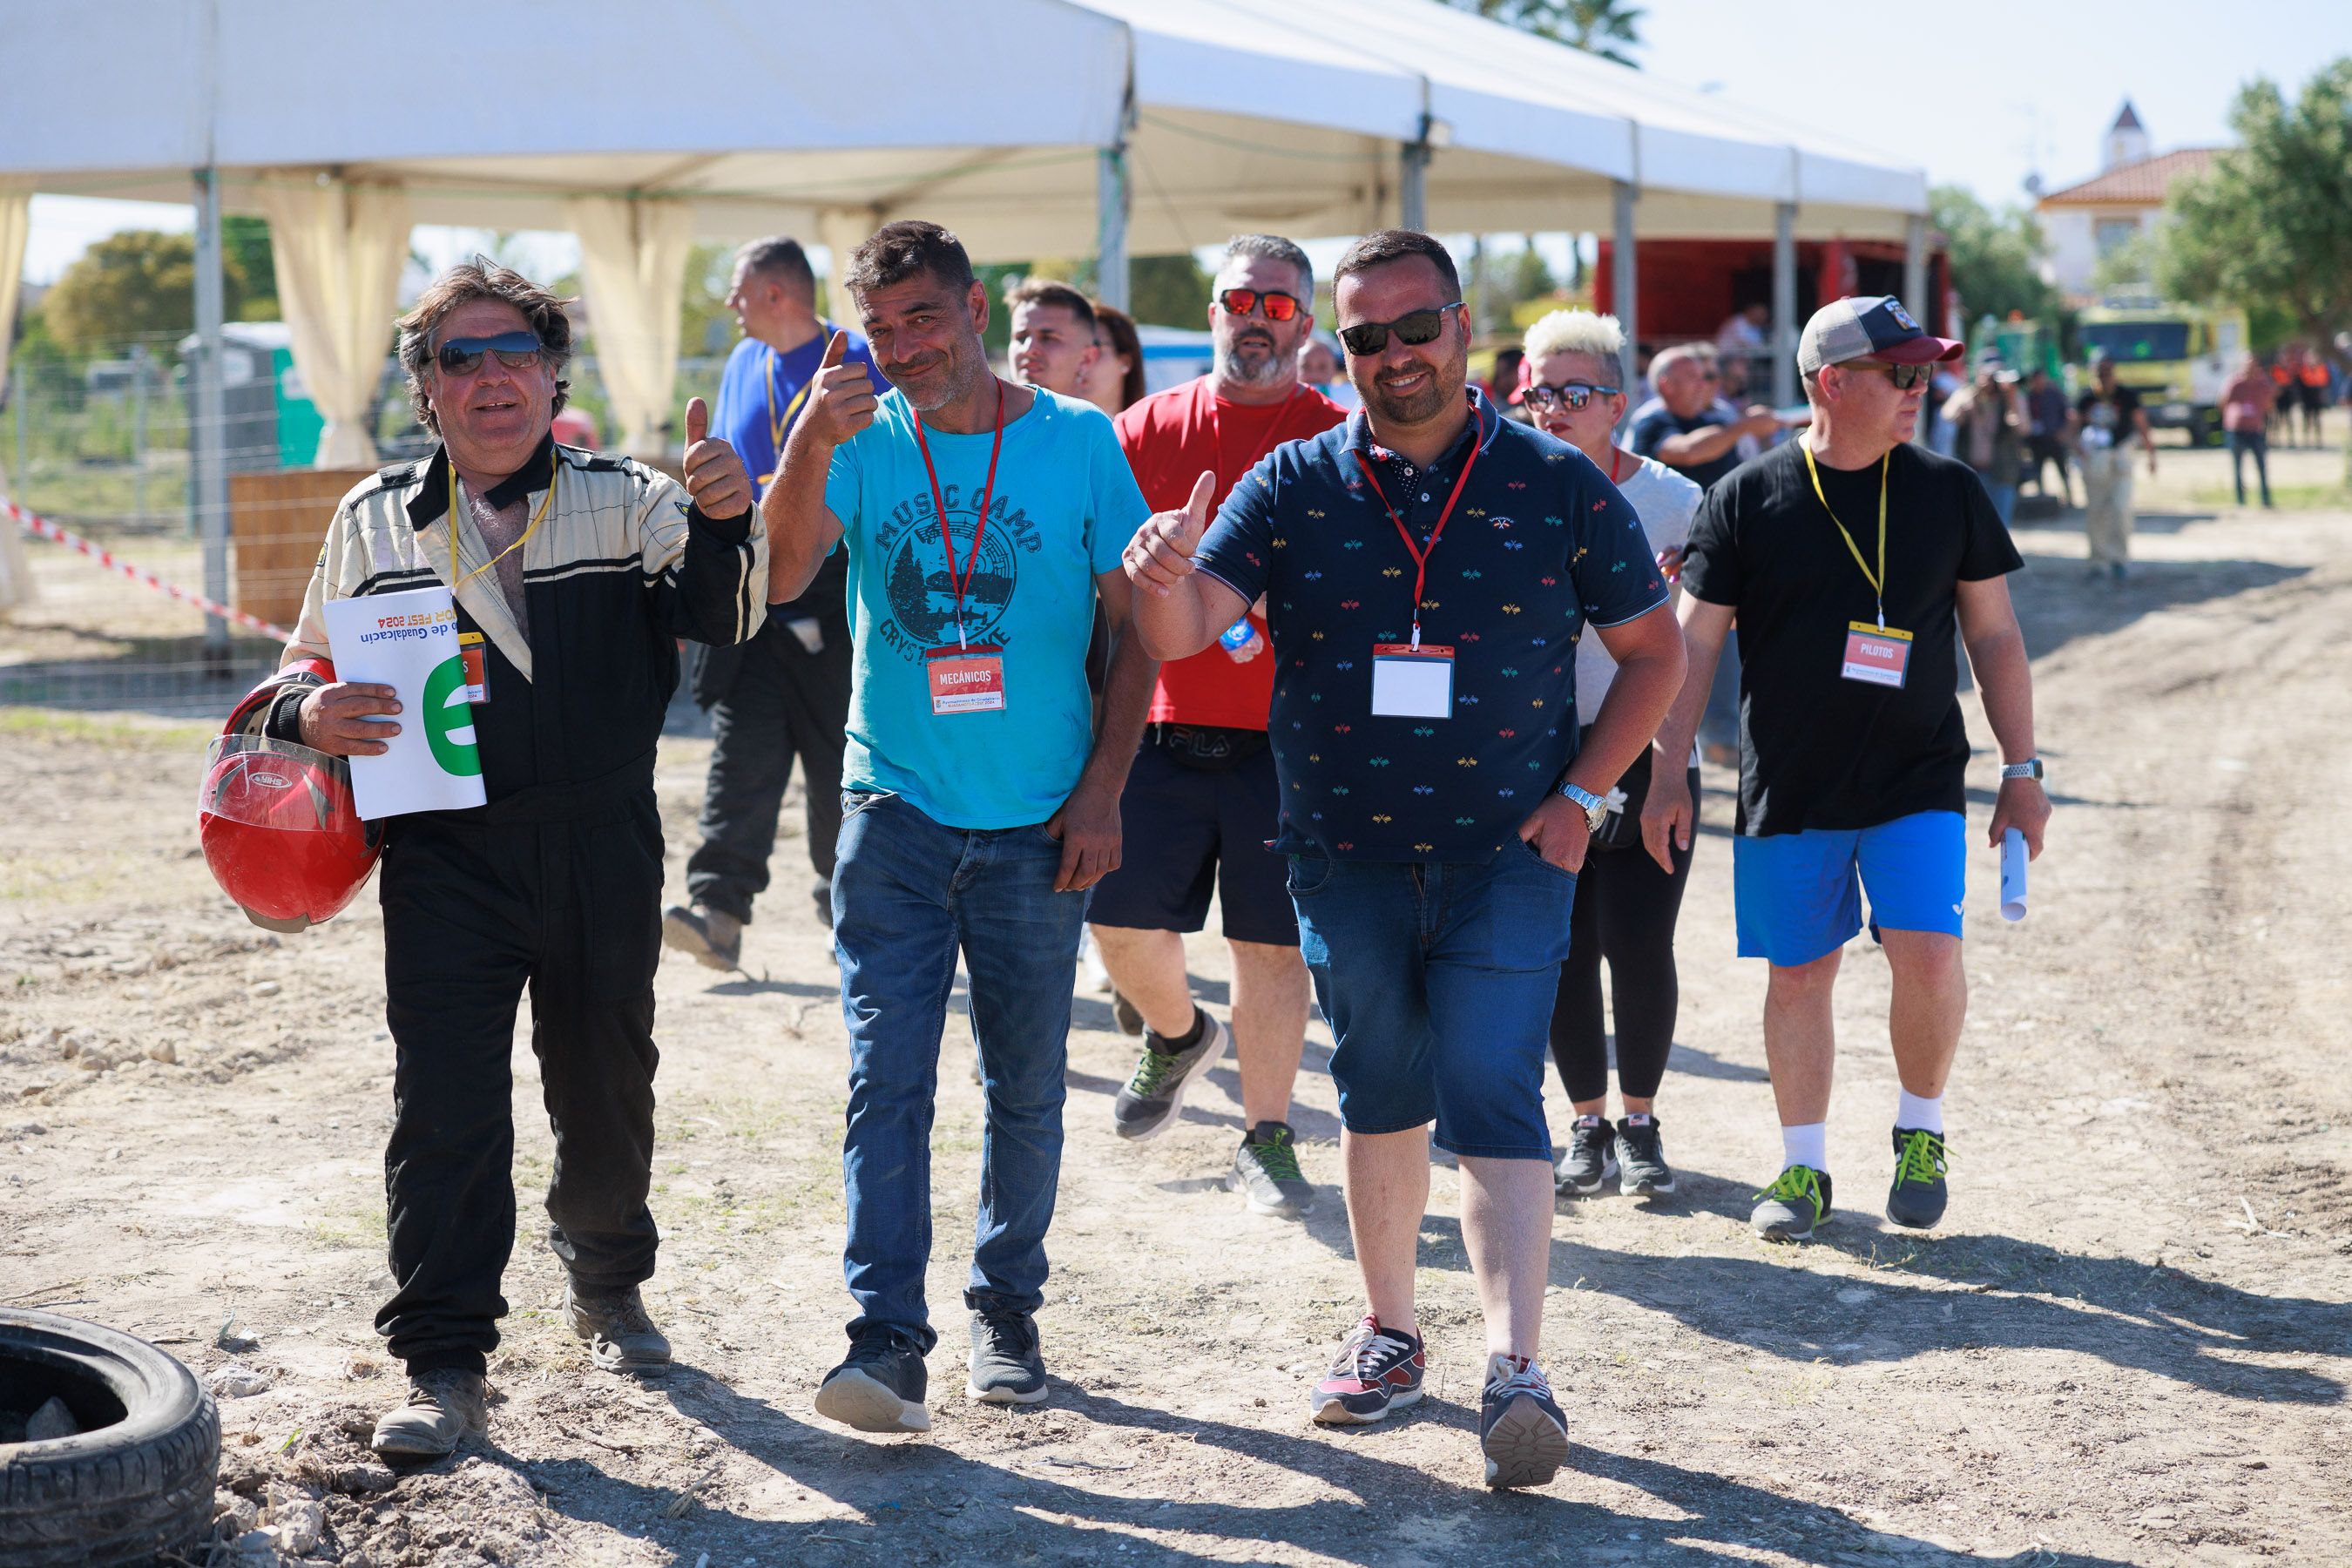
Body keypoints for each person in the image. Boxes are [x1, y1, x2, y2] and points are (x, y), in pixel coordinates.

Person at [1123, 230, 1685, 1489]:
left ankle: (1517, 1367)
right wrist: (1158, 574)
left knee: (1495, 1092)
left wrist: (1584, 796)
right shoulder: (1292, 481)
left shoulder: (1555, 480)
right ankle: (1389, 1335)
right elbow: (1183, 633)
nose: (1395, 355)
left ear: (1464, 328)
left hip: (1509, 853)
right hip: (1345, 855)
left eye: (1416, 327)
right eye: (1366, 336)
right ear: (1344, 350)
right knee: (1378, 1093)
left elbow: (1657, 652)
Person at [240, 261, 766, 1457]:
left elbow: (726, 619)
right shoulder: (372, 515)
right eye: (459, 358)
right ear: (426, 389)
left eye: (514, 352)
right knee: (445, 1107)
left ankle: (608, 1285)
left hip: (601, 842)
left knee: (605, 1083)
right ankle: (442, 1363)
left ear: (552, 374)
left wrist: (727, 520)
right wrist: (309, 713)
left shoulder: (630, 497)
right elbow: (299, 666)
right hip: (443, 853)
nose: (490, 377)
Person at [763, 220, 1152, 1434]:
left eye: (922, 319)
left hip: (1040, 819)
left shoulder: (1079, 440)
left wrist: (1103, 790)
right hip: (894, 809)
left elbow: (1138, 627)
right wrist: (805, 443)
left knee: (1025, 1083)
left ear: (975, 310)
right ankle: (884, 1340)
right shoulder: (861, 439)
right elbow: (778, 578)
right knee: (886, 1076)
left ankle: (1005, 1309)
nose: (902, 348)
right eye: (879, 329)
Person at [1644, 294, 2050, 1245]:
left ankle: (1921, 1131)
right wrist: (1666, 770)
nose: (1921, 388)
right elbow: (1692, 646)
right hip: (1788, 784)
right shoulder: (1744, 497)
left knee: (1931, 952)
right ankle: (1804, 1166)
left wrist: (2022, 770)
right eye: (1901, 372)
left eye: (1925, 371)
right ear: (1832, 382)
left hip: (1919, 776)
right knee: (1798, 976)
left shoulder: (1949, 490)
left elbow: (1995, 638)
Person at [1086, 234, 1345, 1219]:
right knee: (1115, 923)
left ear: (1307, 325)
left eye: (1277, 305)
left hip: (1289, 740)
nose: (1257, 319)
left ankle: (1267, 1138)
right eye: (1241, 301)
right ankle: (1179, 1034)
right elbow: (1096, 573)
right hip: (1156, 722)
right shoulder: (1145, 428)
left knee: (1270, 950)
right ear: (1212, 316)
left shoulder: (1336, 435)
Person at [1517, 308, 1705, 1201]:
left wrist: (1671, 768)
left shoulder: (1676, 501)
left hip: (1648, 752)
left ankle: (1641, 1123)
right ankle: (1585, 1123)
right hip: (1541, 755)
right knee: (1563, 949)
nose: (1554, 408)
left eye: (1575, 392)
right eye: (1538, 392)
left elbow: (1696, 649)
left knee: (1640, 944)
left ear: (1618, 405)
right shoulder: (1505, 488)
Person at [666, 239, 873, 964]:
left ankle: (847, 911)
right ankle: (717, 912)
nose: (730, 303)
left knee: (837, 759)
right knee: (740, 753)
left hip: (832, 586)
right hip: (751, 588)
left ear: (777, 293)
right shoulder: (740, 362)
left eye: (739, 289)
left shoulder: (854, 363)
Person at [1629, 343, 1779, 493]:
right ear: (1667, 385)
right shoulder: (1650, 422)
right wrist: (1745, 426)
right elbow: (1686, 452)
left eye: (1704, 377)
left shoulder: (1717, 421)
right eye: (1692, 376)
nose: (1703, 385)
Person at [2072, 351, 2155, 581]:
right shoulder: (2086, 398)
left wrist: (2151, 454)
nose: (2104, 376)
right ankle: (2098, 560)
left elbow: (2142, 424)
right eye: (2100, 371)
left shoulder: (2126, 396)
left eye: (2107, 371)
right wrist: (2077, 448)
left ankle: (2119, 559)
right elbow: (2072, 427)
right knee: (2096, 511)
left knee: (2121, 508)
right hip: (2096, 459)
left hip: (2121, 456)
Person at [1941, 355, 2025, 526]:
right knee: (1971, 526)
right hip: (1971, 471)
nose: (1991, 382)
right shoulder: (1968, 394)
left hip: (2002, 473)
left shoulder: (2012, 397)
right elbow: (1948, 415)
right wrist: (1971, 394)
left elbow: (2023, 428)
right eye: (1987, 376)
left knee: (2000, 526)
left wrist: (2010, 398)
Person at [1007, 277, 1100, 399]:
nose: (1028, 349)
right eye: (1021, 338)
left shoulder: (1101, 413)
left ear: (1087, 358)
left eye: (1047, 338)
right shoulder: (985, 411)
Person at [2220, 352, 2277, 509]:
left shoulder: (2262, 384)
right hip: (2236, 429)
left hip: (2255, 429)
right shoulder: (2234, 382)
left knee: (2261, 465)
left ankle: (2265, 499)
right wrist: (2230, 417)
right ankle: (2240, 500)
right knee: (2238, 466)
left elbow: (2270, 403)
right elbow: (2223, 402)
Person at [1083, 302, 1147, 416]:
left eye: (1094, 347)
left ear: (1125, 362)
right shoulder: (1051, 423)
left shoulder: (1151, 423)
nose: (1083, 360)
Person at [2023, 368, 2075, 507]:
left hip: (2055, 440)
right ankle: (2041, 499)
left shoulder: (2054, 394)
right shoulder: (2030, 396)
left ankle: (2069, 497)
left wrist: (2063, 432)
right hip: (2037, 441)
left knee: (2062, 470)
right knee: (2038, 470)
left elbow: (2068, 414)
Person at [2296, 350, 2329, 447]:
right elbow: (2299, 386)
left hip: (2317, 398)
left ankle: (2318, 440)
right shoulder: (2302, 370)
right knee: (2307, 420)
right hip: (2306, 399)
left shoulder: (2321, 368)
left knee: (2317, 419)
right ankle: (2307, 439)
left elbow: (2326, 382)